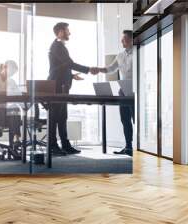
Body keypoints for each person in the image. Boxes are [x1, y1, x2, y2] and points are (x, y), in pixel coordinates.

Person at [47, 22, 94, 155]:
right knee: (55, 117)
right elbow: (69, 63)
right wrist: (88, 69)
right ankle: (52, 145)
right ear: (61, 32)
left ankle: (65, 145)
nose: (69, 33)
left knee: (62, 117)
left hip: (62, 86)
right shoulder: (57, 46)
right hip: (56, 87)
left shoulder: (59, 46)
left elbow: (61, 67)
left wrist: (72, 76)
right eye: (67, 30)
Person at [90, 30, 134, 156]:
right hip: (123, 90)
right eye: (122, 39)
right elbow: (110, 68)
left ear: (131, 39)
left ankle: (139, 148)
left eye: (124, 38)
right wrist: (98, 69)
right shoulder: (120, 55)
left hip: (136, 90)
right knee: (125, 119)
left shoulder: (138, 52)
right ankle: (128, 147)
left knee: (136, 120)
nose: (121, 41)